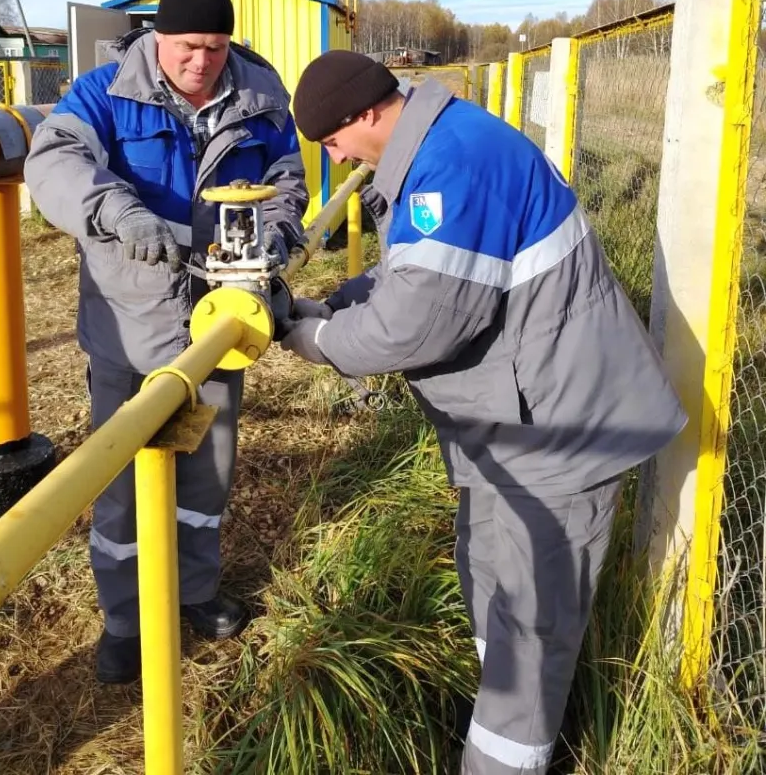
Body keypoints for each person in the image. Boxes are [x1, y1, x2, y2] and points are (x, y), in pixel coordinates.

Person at [279, 51, 686, 775]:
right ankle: (512, 728)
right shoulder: (435, 146)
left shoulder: (454, 165)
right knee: (489, 578)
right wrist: (331, 304)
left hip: (563, 427)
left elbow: (416, 324)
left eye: (333, 141)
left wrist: (313, 338)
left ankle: (507, 752)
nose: (335, 159)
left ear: (365, 112)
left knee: (529, 628)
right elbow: (416, 271)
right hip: (516, 419)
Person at [23, 0, 308, 683]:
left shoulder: (260, 96)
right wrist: (117, 210)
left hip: (219, 323)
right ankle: (126, 619)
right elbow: (53, 161)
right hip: (132, 326)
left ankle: (195, 590)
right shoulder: (106, 92)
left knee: (206, 472)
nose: (201, 62)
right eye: (187, 47)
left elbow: (287, 181)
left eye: (215, 47)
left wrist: (276, 234)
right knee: (122, 479)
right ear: (158, 38)